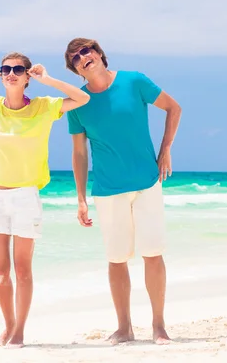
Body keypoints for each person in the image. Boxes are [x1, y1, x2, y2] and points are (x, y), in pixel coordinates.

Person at [0, 52, 90, 348]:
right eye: (6, 69)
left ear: (27, 77)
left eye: (17, 70)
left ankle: (20, 330)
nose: (11, 73)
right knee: (0, 272)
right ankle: (8, 325)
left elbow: (82, 99)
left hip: (26, 196)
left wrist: (47, 79)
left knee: (23, 270)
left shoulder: (43, 107)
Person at [64, 38, 182, 345]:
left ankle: (159, 326)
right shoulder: (78, 104)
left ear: (99, 53)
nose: (82, 57)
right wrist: (80, 198)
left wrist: (165, 149)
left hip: (147, 182)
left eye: (86, 51)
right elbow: (79, 153)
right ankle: (124, 327)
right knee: (116, 259)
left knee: (153, 254)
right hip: (107, 189)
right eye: (75, 58)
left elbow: (173, 107)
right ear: (76, 70)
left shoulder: (134, 81)